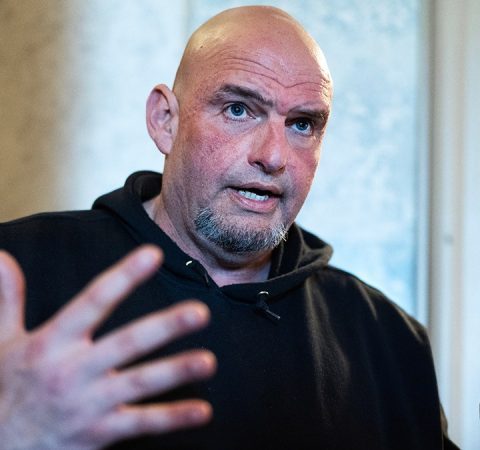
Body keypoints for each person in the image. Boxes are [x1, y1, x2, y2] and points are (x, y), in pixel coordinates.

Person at [0, 5, 458, 450]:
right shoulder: (16, 270)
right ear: (165, 121)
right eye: (239, 109)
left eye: (302, 124)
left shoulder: (390, 341)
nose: (273, 156)